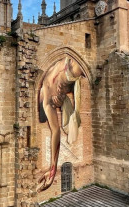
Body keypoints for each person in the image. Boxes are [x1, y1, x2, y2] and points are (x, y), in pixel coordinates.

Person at [37, 57, 84, 192]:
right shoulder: (48, 104)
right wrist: (52, 171)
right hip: (68, 72)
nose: (55, 106)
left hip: (67, 67)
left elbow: (56, 131)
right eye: (55, 106)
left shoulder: (46, 95)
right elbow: (55, 131)